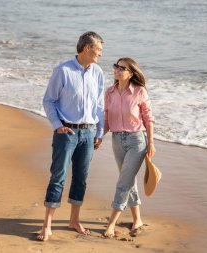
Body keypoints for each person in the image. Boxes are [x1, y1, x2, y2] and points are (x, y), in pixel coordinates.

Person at [37, 31, 104, 241]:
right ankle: (47, 225)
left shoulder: (98, 72)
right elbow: (49, 101)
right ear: (87, 48)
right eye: (98, 50)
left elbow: (99, 106)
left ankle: (74, 220)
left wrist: (99, 132)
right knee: (58, 177)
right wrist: (58, 126)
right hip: (67, 132)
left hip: (89, 132)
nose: (100, 54)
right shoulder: (63, 70)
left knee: (81, 179)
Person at [103, 57, 156, 237]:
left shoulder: (140, 91)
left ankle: (111, 223)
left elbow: (148, 119)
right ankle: (137, 219)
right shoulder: (109, 92)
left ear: (131, 73)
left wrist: (151, 143)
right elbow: (106, 118)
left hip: (137, 141)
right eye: (116, 66)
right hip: (117, 140)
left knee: (123, 182)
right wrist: (97, 137)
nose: (117, 69)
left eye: (122, 68)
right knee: (128, 180)